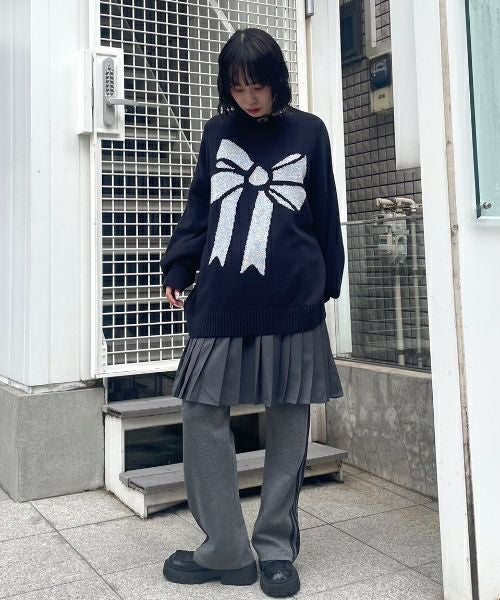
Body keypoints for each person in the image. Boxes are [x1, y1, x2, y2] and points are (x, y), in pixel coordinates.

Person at [160, 27, 345, 598]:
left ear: (276, 80)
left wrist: (327, 283)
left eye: (258, 86)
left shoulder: (309, 131)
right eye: (238, 88)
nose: (249, 98)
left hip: (293, 296)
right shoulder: (217, 132)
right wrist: (178, 266)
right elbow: (201, 204)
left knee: (288, 417)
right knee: (201, 410)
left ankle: (275, 550)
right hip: (222, 297)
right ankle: (226, 549)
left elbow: (324, 208)